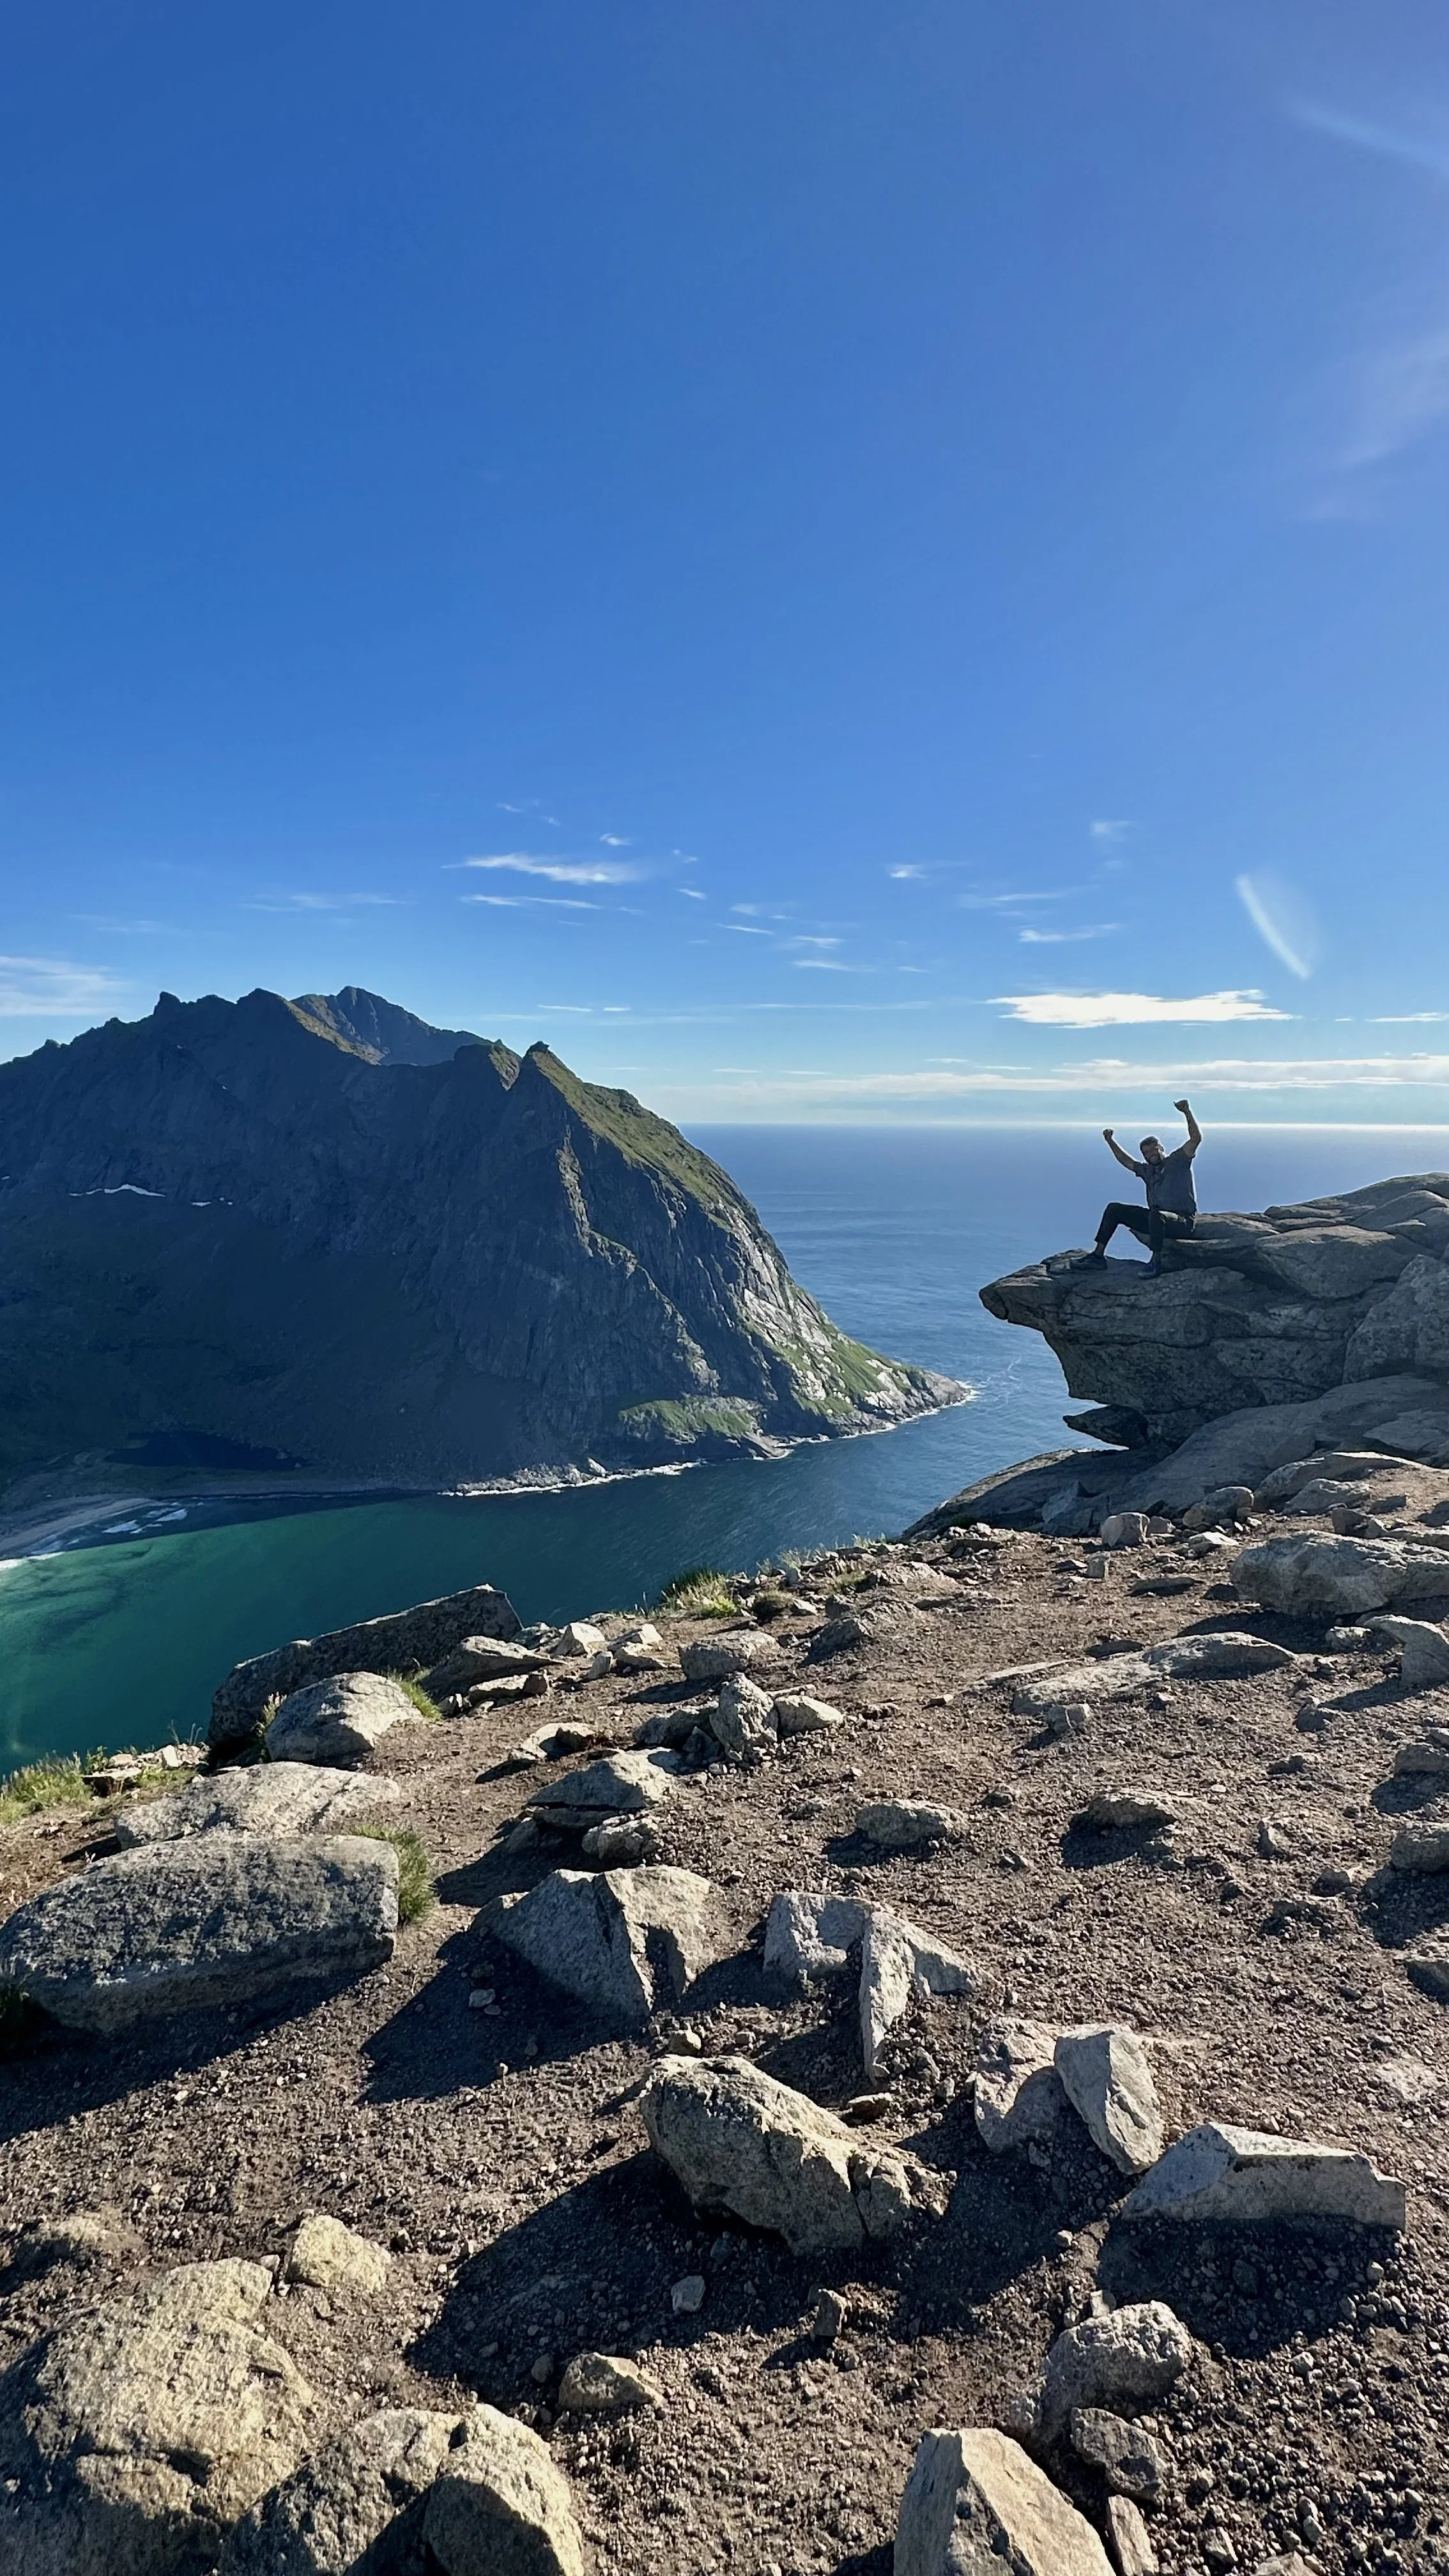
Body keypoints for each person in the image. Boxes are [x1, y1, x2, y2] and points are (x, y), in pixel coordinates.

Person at [1080, 1098, 1201, 1276]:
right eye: (1146, 1153)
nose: (1151, 1155)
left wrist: (1187, 1112)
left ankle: (1155, 1262)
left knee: (1156, 1215)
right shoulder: (1147, 1171)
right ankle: (1098, 1256)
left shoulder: (1177, 1161)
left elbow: (1195, 1139)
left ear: (1161, 1148)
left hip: (1181, 1222)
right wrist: (1110, 1141)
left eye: (1154, 1150)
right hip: (1156, 1220)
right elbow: (1126, 1161)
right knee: (1114, 1209)